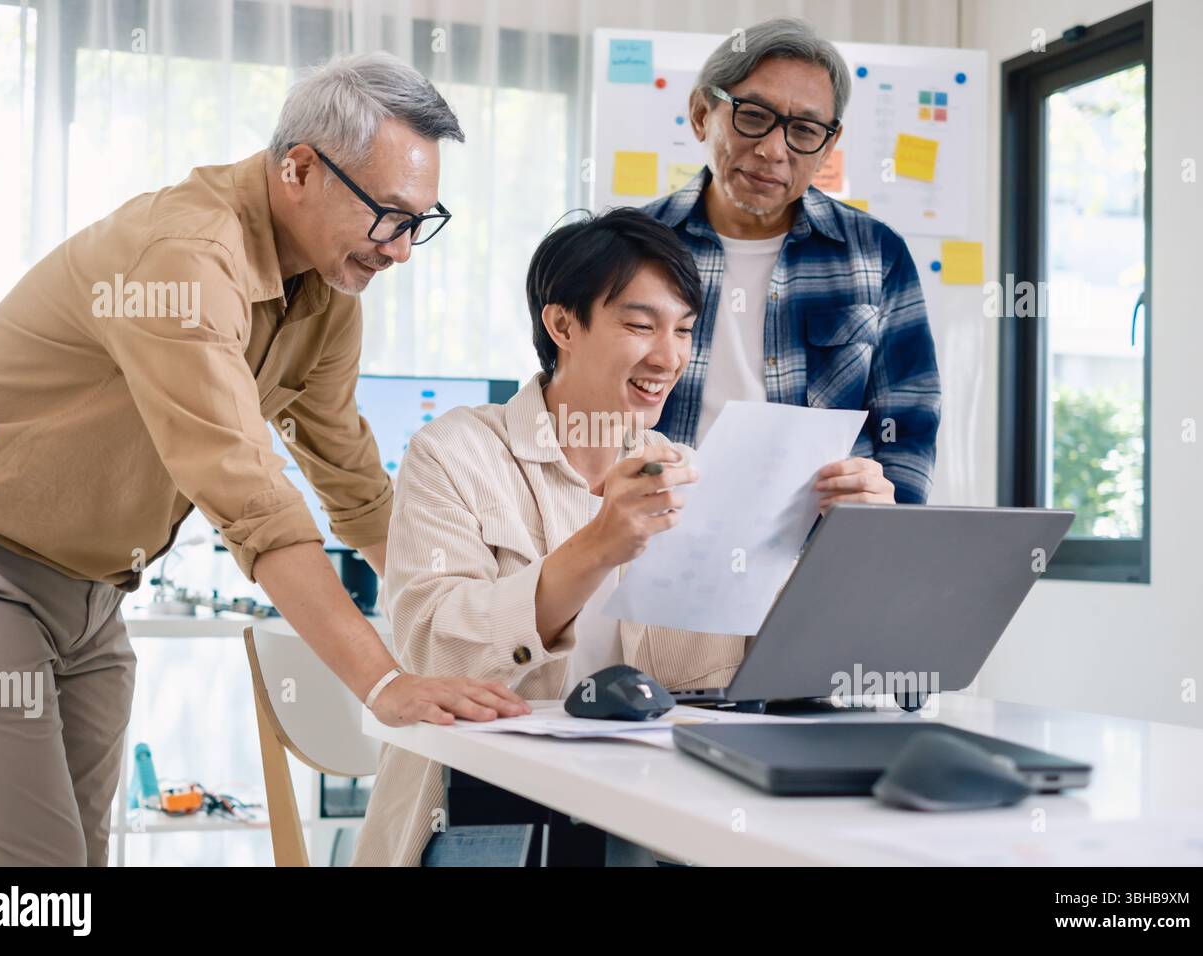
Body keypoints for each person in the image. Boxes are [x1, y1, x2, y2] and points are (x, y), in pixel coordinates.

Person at [0, 52, 526, 867]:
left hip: (93, 593)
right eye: (389, 217)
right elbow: (247, 489)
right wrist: (385, 684)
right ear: (299, 169)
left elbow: (350, 479)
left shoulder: (328, 290)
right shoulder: (181, 258)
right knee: (34, 873)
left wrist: (466, 626)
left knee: (78, 869)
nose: (402, 252)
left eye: (420, 221)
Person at [351, 208, 750, 867]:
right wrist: (598, 546)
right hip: (487, 819)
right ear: (562, 324)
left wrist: (825, 539)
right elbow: (434, 650)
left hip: (649, 820)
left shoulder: (684, 476)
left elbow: (739, 681)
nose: (670, 356)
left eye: (683, 330)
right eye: (640, 325)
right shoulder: (453, 453)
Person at [641, 17, 941, 507]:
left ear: (828, 144)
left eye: (803, 129)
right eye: (754, 115)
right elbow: (582, 406)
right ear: (701, 113)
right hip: (653, 537)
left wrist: (886, 519)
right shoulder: (632, 248)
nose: (773, 150)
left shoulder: (876, 254)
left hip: (821, 551)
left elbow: (910, 422)